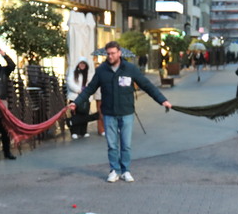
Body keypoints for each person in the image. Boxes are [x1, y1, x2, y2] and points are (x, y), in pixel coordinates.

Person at [70, 40, 172, 183]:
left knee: (126, 144)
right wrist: (76, 103)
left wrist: (162, 100)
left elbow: (147, 85)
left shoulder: (130, 69)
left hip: (126, 112)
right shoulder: (101, 70)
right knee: (112, 145)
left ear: (119, 53)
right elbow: (89, 89)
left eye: (113, 53)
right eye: (108, 53)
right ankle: (114, 170)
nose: (110, 56)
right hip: (109, 113)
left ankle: (125, 171)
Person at [66, 57, 94, 140]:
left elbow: (91, 84)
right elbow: (70, 83)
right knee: (75, 114)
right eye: (81, 63)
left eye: (84, 64)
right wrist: (79, 90)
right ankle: (74, 131)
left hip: (85, 98)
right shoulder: (73, 73)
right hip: (74, 97)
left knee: (84, 115)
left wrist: (85, 92)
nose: (82, 65)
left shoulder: (88, 74)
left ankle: (83, 131)